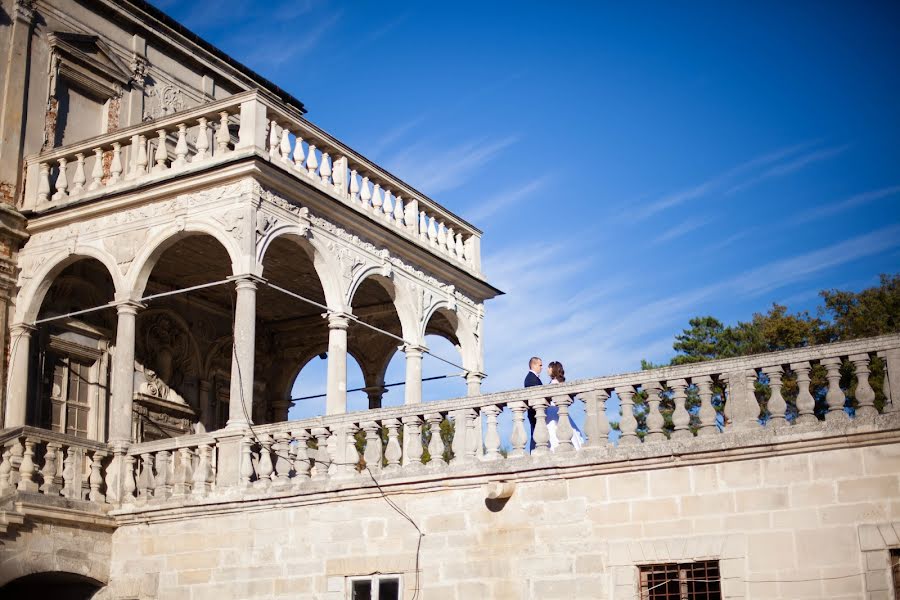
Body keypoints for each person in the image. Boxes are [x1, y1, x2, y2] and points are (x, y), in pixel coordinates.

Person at [545, 361, 584, 451]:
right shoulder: (559, 382)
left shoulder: (554, 383)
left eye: (549, 368)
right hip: (556, 409)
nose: (547, 370)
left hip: (552, 410)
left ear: (552, 369)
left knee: (554, 429)